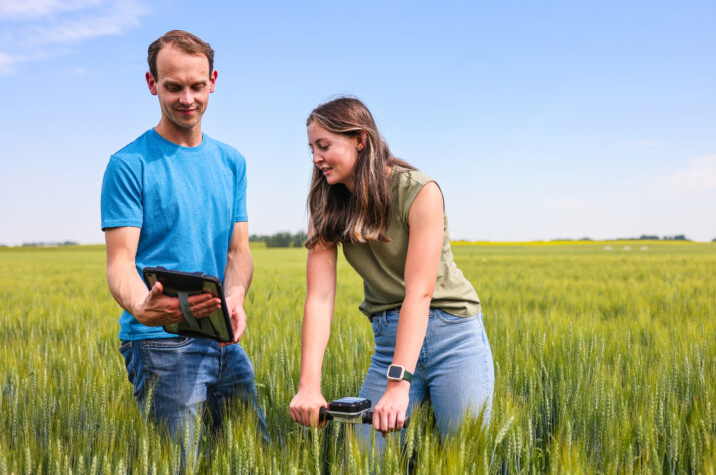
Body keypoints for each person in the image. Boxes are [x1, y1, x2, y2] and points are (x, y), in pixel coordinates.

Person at [288, 96, 494, 449]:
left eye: (324, 146)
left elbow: (420, 293)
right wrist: (309, 385)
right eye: (311, 148)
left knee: (466, 457)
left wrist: (398, 385)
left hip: (453, 337)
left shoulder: (419, 192)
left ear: (360, 140)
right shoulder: (324, 207)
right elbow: (319, 299)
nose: (315, 158)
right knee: (367, 458)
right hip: (389, 341)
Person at [100, 30, 267, 452]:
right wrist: (142, 306)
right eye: (173, 87)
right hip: (159, 343)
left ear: (213, 81)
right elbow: (121, 263)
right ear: (152, 83)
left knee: (253, 455)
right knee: (178, 464)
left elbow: (237, 251)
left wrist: (235, 298)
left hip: (222, 338)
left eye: (196, 86)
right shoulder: (128, 164)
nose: (187, 99)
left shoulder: (232, 162)